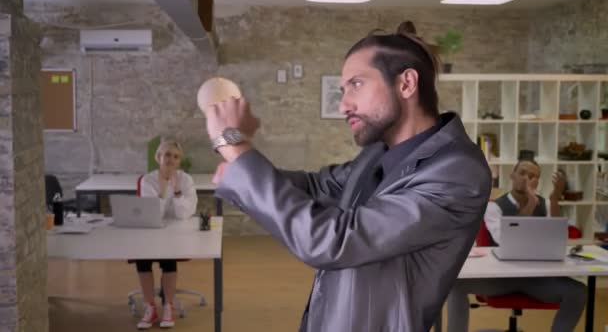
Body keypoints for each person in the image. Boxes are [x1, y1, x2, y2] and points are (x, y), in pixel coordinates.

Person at [205, 22, 492, 331]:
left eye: (356, 84)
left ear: (406, 84)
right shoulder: (378, 153)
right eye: (343, 90)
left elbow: (334, 240)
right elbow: (317, 187)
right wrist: (242, 166)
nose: (343, 105)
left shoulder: (458, 172)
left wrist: (234, 146)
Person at [447, 159, 587, 332]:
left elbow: (560, 237)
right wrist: (530, 204)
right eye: (522, 173)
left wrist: (555, 199)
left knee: (578, 292)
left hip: (537, 278)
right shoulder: (494, 208)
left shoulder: (547, 205)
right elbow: (506, 239)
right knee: (455, 285)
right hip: (501, 279)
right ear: (512, 176)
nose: (526, 179)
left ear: (538, 181)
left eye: (533, 176)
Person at [134, 140, 198, 330]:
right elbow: (152, 214)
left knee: (169, 257)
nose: (171, 160)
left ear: (180, 161)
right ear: (158, 157)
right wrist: (162, 190)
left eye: (176, 156)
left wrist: (176, 189)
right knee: (142, 259)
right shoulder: (148, 180)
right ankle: (150, 307)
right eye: (167, 155)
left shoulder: (186, 180)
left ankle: (168, 305)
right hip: (150, 231)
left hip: (175, 234)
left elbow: (185, 213)